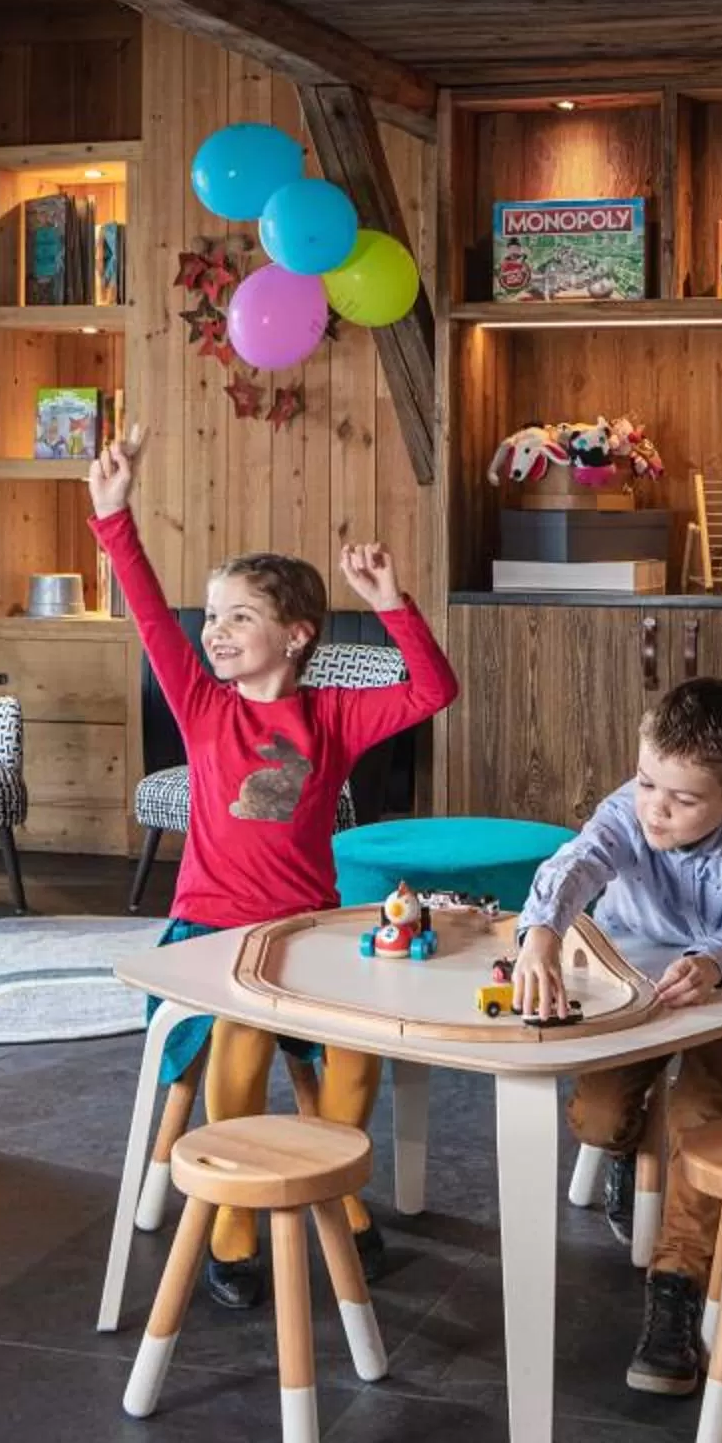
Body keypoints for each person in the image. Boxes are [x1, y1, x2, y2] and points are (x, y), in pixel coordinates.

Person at [89, 430, 458, 1307]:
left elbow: (432, 691)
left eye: (239, 617)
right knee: (243, 1032)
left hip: (306, 931)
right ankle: (233, 1218)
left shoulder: (330, 717)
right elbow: (147, 611)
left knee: (359, 1048)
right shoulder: (201, 704)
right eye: (212, 617)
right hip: (211, 931)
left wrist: (392, 601)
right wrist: (114, 517)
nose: (215, 631)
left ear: (295, 637)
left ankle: (331, 1187)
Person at [510, 677, 722, 1395]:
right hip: (629, 984)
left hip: (720, 991)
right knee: (596, 1117)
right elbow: (576, 865)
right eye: (646, 783)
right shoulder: (627, 813)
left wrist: (714, 963)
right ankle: (633, 1153)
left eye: (683, 799)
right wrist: (541, 933)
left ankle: (676, 1287)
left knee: (699, 1117)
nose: (656, 808)